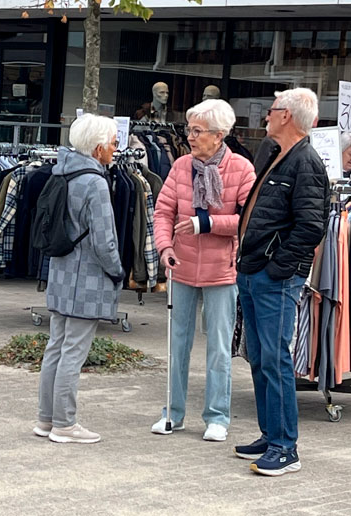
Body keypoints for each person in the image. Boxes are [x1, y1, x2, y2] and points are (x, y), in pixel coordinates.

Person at [234, 88, 329, 476]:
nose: (266, 116)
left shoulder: (306, 162)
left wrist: (279, 268)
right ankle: (270, 432)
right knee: (259, 357)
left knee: (275, 358)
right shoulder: (274, 154)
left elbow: (311, 227)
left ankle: (285, 447)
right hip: (254, 270)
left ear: (287, 115)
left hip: (274, 276)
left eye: (271, 110)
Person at [151, 99, 256, 441]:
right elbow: (163, 211)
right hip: (181, 266)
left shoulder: (241, 168)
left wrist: (206, 223)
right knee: (176, 344)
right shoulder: (181, 166)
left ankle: (217, 417)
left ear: (219, 135)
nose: (190, 137)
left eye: (197, 131)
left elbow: (249, 221)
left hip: (221, 270)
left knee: (219, 348)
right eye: (189, 130)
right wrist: (164, 247)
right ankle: (173, 413)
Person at [35, 114, 125, 444]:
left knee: (56, 348)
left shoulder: (62, 170)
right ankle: (65, 423)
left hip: (61, 271)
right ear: (99, 147)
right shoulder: (96, 182)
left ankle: (46, 419)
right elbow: (104, 240)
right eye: (114, 143)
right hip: (86, 278)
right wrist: (117, 270)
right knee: (73, 352)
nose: (116, 149)